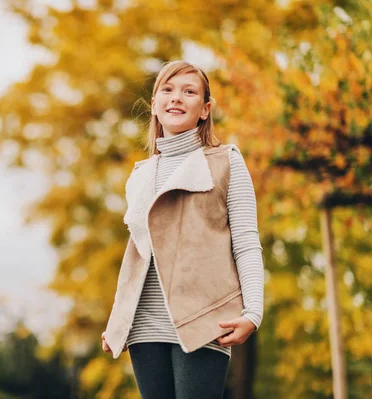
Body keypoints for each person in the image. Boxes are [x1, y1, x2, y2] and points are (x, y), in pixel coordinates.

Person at [100, 60, 264, 399]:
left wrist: (253, 313)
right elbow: (137, 253)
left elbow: (246, 242)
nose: (177, 98)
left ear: (205, 109)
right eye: (168, 90)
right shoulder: (140, 174)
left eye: (189, 91)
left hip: (205, 321)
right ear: (155, 106)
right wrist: (119, 319)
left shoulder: (226, 161)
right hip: (145, 325)